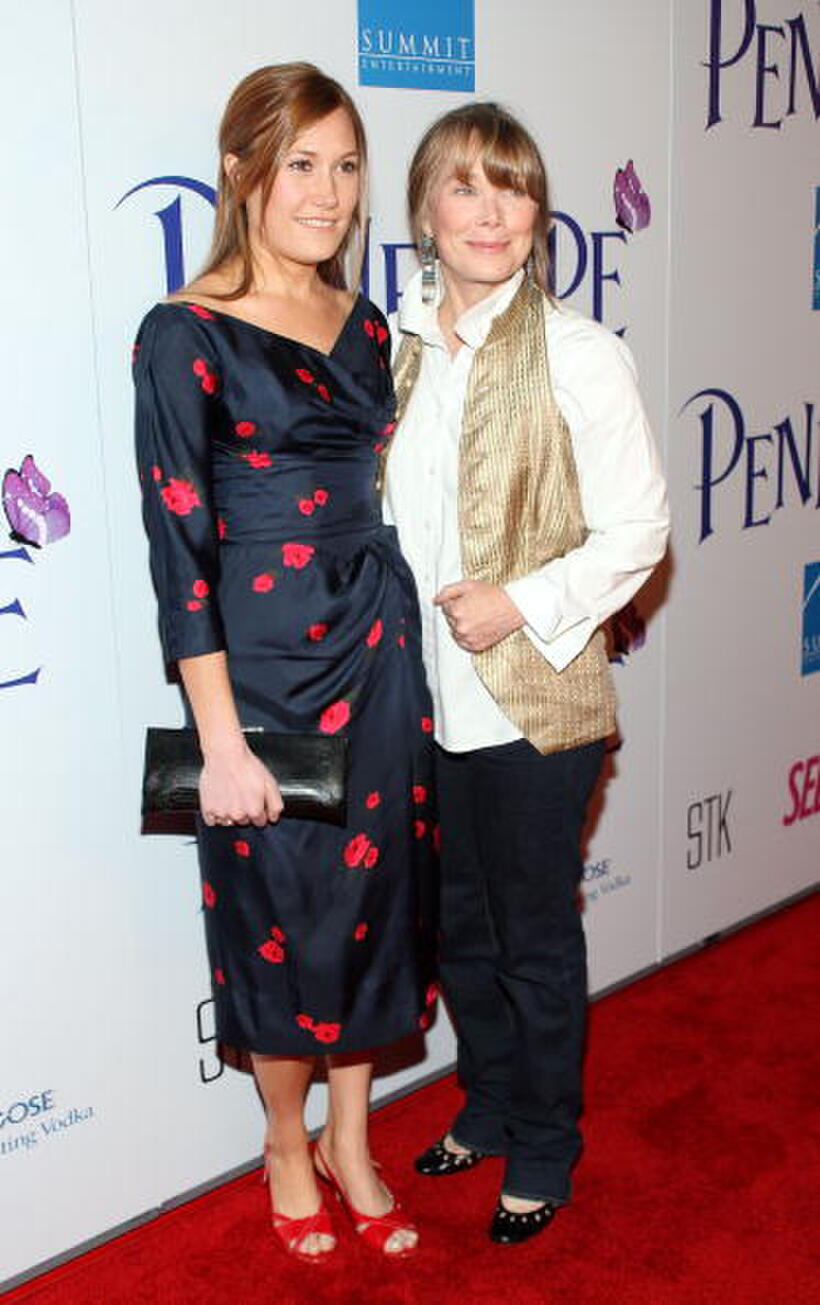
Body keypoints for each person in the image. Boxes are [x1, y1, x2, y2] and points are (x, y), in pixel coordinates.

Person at [133, 63, 436, 1263]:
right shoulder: (183, 333)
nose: (327, 191)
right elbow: (178, 544)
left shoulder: (365, 326)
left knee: (370, 906)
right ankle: (279, 1135)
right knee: (275, 912)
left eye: (347, 165)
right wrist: (216, 740)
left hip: (375, 644)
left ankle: (352, 1139)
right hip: (256, 671)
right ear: (242, 173)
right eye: (300, 163)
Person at [384, 102, 669, 1246]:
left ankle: (545, 1144)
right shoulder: (390, 351)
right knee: (458, 932)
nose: (490, 212)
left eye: (511, 187)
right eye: (464, 187)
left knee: (535, 937)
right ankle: (490, 1099)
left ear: (538, 214)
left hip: (536, 701)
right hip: (421, 704)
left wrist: (523, 603)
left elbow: (637, 530)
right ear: (424, 212)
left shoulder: (579, 352)